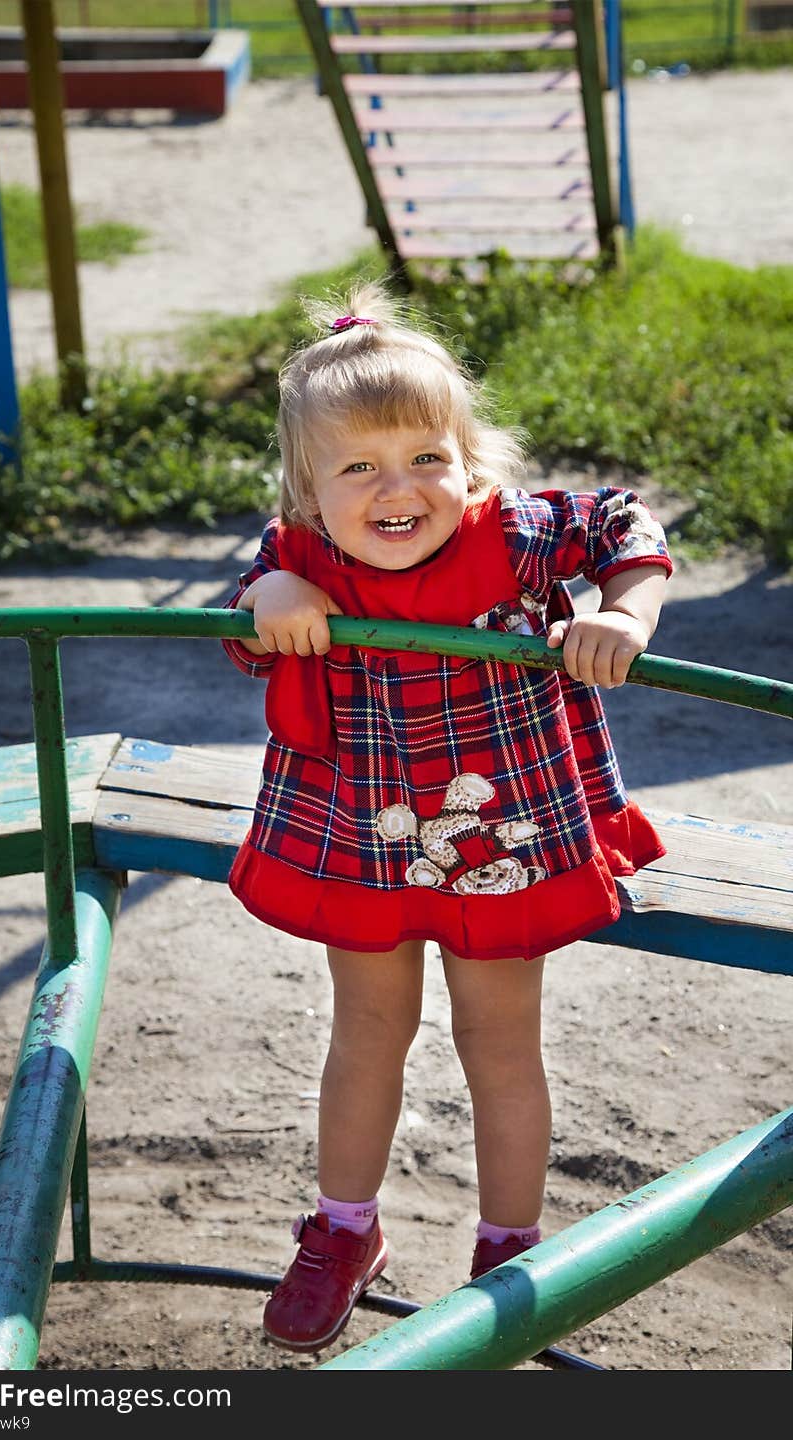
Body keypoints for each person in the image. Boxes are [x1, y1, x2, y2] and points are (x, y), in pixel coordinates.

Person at [221, 280, 672, 1353]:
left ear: (467, 461)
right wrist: (265, 600)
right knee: (367, 1030)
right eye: (360, 466)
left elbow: (623, 519)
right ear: (306, 490)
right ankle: (343, 1231)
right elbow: (241, 618)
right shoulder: (301, 559)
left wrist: (623, 607)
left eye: (427, 456)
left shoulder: (511, 538)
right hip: (360, 843)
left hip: (498, 840)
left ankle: (509, 1251)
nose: (399, 487)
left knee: (498, 1040)